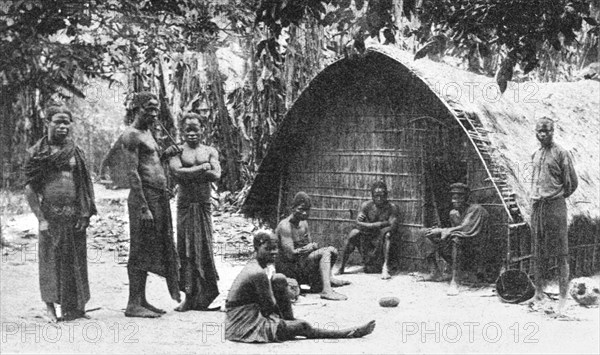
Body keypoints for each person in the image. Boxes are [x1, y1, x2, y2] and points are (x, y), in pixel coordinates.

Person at [224, 230, 376, 343]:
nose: (274, 252)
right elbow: (269, 306)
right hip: (243, 323)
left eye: (275, 248)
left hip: (249, 313)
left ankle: (289, 321)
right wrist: (286, 299)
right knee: (303, 326)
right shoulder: (257, 272)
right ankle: (347, 333)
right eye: (268, 248)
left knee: (280, 279)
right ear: (256, 247)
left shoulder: (257, 265)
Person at [24, 105, 96, 322]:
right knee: (50, 260)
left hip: (74, 214)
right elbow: (29, 189)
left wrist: (85, 213)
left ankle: (76, 308)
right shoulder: (38, 153)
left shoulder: (75, 151)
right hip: (51, 215)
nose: (63, 126)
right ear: (48, 123)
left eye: (67, 122)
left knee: (76, 260)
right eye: (58, 122)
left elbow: (84, 184)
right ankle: (49, 308)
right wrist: (41, 219)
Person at [118, 92, 180, 318]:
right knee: (139, 248)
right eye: (149, 108)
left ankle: (141, 299)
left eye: (156, 109)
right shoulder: (131, 135)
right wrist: (143, 207)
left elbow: (150, 162)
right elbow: (133, 173)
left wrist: (166, 155)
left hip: (157, 196)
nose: (154, 113)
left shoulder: (148, 132)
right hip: (143, 199)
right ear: (136, 108)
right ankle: (133, 303)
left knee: (151, 247)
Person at [167, 113, 221, 312]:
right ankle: (189, 297)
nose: (191, 133)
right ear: (182, 131)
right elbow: (177, 172)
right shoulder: (177, 151)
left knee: (205, 247)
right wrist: (201, 169)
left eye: (195, 129)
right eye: (188, 129)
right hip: (185, 205)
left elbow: (216, 174)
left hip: (203, 205)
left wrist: (193, 172)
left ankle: (206, 296)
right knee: (186, 249)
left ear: (202, 130)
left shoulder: (210, 150)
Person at [530, 117, 578, 316]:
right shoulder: (535, 154)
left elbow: (571, 183)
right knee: (538, 251)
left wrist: (556, 197)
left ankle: (563, 298)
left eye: (548, 131)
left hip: (555, 206)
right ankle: (539, 293)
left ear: (553, 132)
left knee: (561, 253)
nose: (544, 134)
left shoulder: (561, 153)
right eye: (541, 131)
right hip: (537, 206)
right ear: (536, 133)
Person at [275, 192, 350, 301]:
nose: (304, 213)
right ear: (293, 208)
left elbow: (309, 247)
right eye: (301, 209)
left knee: (332, 250)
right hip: (289, 270)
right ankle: (327, 290)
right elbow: (290, 255)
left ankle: (324, 281)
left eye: (307, 209)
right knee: (325, 252)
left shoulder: (303, 223)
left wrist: (312, 246)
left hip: (301, 264)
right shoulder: (285, 226)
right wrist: (308, 248)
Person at [421, 183, 489, 294]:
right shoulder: (453, 213)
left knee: (457, 239)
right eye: (453, 197)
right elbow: (455, 230)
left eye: (459, 197)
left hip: (476, 249)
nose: (454, 200)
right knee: (426, 233)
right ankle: (435, 272)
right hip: (460, 246)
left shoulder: (476, 209)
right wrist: (438, 231)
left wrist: (443, 231)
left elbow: (465, 228)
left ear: (466, 198)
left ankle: (455, 281)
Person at [338, 181, 400, 279]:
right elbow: (357, 223)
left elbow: (393, 226)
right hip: (367, 242)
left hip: (382, 243)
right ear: (372, 196)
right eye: (376, 196)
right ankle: (341, 267)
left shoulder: (392, 208)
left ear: (386, 195)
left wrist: (368, 225)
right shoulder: (366, 206)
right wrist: (380, 224)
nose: (379, 198)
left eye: (382, 195)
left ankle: (385, 267)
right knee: (354, 233)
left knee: (388, 234)